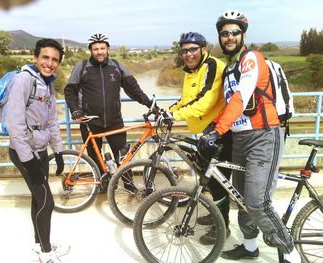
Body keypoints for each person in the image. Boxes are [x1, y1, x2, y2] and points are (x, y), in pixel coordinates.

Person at [198, 10, 300, 262]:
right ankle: (250, 246)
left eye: (235, 32)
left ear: (243, 34)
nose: (230, 37)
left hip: (264, 135)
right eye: (225, 33)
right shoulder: (229, 69)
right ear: (220, 37)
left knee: (256, 201)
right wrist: (212, 126)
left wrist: (218, 130)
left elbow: (242, 97)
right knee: (242, 199)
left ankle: (291, 252)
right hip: (241, 139)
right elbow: (229, 105)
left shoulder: (251, 59)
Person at [6, 38, 70, 263]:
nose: (50, 63)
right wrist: (29, 160)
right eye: (45, 57)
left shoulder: (48, 83)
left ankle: (38, 244)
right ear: (35, 57)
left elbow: (52, 120)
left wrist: (59, 151)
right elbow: (14, 124)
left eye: (55, 60)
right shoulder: (23, 81)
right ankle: (46, 253)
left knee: (37, 200)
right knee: (47, 202)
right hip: (24, 153)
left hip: (41, 150)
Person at [165, 32, 232, 245]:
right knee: (209, 179)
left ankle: (223, 226)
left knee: (217, 181)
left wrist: (174, 115)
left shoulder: (212, 66)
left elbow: (205, 101)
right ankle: (217, 215)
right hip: (202, 131)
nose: (188, 54)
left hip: (217, 132)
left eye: (193, 49)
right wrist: (167, 111)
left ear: (204, 49)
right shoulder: (190, 72)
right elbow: (187, 100)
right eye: (184, 50)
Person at [64, 33, 152, 191]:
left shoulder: (117, 66)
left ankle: (129, 185)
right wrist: (75, 110)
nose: (99, 52)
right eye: (95, 48)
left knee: (123, 157)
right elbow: (70, 91)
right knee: (94, 157)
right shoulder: (82, 67)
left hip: (114, 121)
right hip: (89, 121)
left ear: (108, 49)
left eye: (102, 48)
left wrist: (148, 103)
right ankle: (102, 186)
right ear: (90, 50)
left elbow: (133, 89)